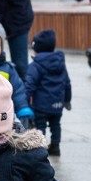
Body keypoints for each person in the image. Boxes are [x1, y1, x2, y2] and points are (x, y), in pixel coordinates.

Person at [24, 29, 72, 157]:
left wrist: (25, 101)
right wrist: (67, 100)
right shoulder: (61, 64)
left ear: (36, 48)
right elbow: (67, 83)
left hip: (41, 105)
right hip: (57, 104)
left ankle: (41, 148)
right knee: (56, 125)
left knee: (41, 126)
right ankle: (55, 147)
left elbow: (29, 85)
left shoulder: (35, 65)